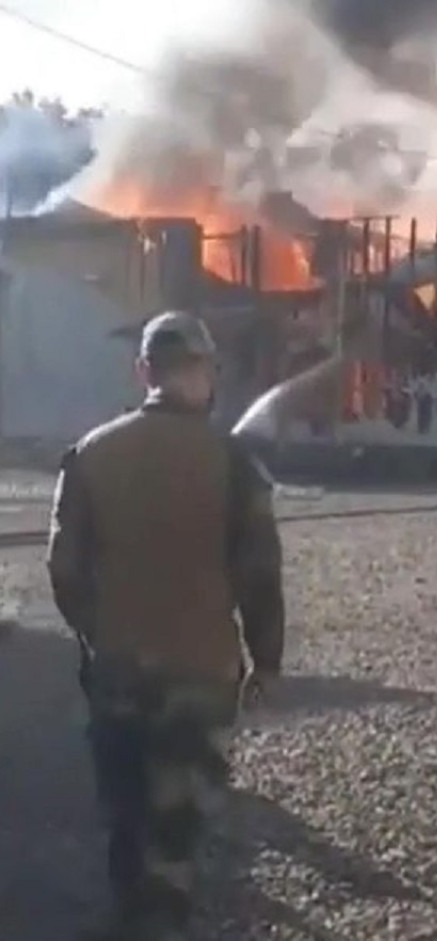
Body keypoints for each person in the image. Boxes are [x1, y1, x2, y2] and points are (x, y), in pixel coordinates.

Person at [46, 310, 285, 940]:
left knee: (125, 814)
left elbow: (63, 568)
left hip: (119, 670)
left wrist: (98, 634)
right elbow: (260, 573)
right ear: (204, 373)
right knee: (175, 828)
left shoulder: (90, 454)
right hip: (200, 674)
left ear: (144, 372)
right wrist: (267, 660)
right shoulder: (233, 462)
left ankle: (130, 918)